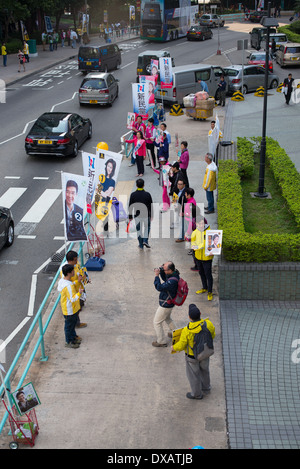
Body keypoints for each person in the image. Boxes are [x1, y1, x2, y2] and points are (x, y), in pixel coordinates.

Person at [171, 304, 215, 400]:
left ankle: (196, 394)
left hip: (192, 357)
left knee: (194, 375)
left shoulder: (187, 330)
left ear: (189, 317)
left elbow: (182, 345)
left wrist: (174, 347)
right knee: (205, 370)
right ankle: (206, 388)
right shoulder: (208, 324)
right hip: (205, 353)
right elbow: (212, 335)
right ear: (200, 314)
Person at [60, 250, 90, 328]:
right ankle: (76, 324)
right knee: (75, 311)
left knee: (78, 308)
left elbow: (80, 272)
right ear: (70, 260)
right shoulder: (65, 270)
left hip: (80, 289)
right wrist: (78, 281)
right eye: (75, 260)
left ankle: (77, 323)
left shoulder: (75, 265)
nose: (77, 261)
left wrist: (85, 278)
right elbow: (68, 284)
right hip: (75, 293)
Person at [153, 261, 180, 347]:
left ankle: (161, 341)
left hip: (166, 305)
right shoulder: (175, 274)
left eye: (164, 269)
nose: (163, 270)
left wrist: (157, 276)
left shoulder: (172, 282)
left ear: (170, 270)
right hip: (170, 303)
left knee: (156, 322)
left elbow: (159, 287)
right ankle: (176, 333)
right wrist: (161, 272)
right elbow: (166, 279)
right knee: (167, 318)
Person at [57, 264, 83, 348]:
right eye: (72, 271)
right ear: (69, 273)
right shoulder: (68, 286)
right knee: (69, 326)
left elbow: (71, 284)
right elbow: (72, 298)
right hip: (70, 310)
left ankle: (73, 337)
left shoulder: (63, 281)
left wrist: (77, 282)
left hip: (69, 309)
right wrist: (79, 293)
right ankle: (69, 341)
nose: (74, 272)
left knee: (71, 325)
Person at [191, 217, 214, 301]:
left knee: (208, 275)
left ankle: (210, 291)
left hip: (207, 258)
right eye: (199, 223)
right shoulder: (194, 232)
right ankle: (204, 287)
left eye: (202, 223)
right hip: (198, 257)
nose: (201, 225)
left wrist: (213, 251)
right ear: (196, 224)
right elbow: (192, 242)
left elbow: (215, 243)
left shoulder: (210, 232)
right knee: (201, 273)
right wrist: (193, 246)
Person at [128, 178, 153, 250]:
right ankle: (145, 240)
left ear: (136, 185)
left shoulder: (133, 195)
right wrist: (151, 215)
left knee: (139, 230)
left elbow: (130, 206)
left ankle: (141, 245)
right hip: (146, 215)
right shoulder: (147, 194)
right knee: (147, 228)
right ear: (143, 185)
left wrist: (130, 216)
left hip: (137, 216)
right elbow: (151, 205)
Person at [175, 179, 188, 243]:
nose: (178, 185)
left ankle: (182, 237)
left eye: (180, 184)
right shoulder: (179, 191)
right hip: (179, 209)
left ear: (184, 185)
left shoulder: (184, 193)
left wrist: (182, 211)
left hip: (183, 211)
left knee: (182, 224)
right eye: (178, 184)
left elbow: (184, 203)